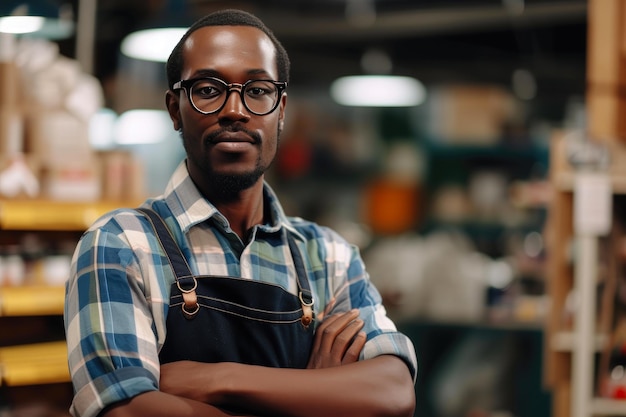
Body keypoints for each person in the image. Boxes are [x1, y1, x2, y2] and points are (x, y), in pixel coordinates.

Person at [64, 8, 417, 417]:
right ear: (175, 108)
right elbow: (125, 411)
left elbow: (393, 393)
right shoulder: (121, 244)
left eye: (257, 90)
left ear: (281, 109)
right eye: (209, 89)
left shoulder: (329, 257)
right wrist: (315, 395)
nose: (235, 109)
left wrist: (216, 380)